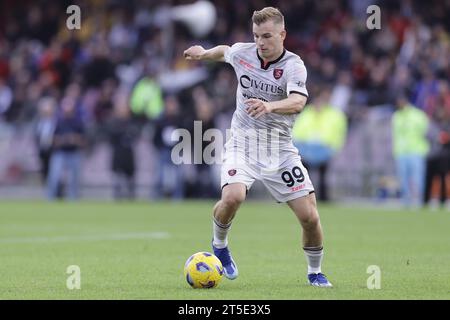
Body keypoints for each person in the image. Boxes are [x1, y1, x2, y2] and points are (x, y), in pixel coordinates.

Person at [184, 7, 332, 287]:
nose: (261, 43)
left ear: (282, 34)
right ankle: (219, 245)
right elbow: (225, 50)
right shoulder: (244, 53)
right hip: (243, 143)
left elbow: (298, 102)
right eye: (256, 36)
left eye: (267, 36)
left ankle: (315, 272)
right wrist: (203, 54)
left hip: (279, 148)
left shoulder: (293, 65)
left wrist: (269, 106)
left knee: (309, 217)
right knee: (233, 197)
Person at [292, 88, 347, 202]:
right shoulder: (307, 113)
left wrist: (333, 148)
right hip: (306, 148)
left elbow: (339, 132)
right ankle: (302, 197)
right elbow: (297, 131)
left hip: (324, 149)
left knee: (323, 175)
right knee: (303, 175)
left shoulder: (335, 114)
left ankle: (323, 198)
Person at [392, 95, 429, 207]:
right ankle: (406, 201)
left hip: (416, 151)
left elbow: (425, 131)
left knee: (417, 177)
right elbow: (395, 135)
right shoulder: (396, 116)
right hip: (401, 152)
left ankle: (418, 200)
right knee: (403, 178)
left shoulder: (418, 115)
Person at [47, 96, 86, 200]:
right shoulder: (58, 122)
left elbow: (83, 140)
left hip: (74, 153)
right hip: (60, 152)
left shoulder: (78, 122)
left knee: (74, 179)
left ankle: (73, 199)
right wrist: (64, 139)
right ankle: (51, 198)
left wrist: (75, 139)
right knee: (54, 177)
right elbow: (52, 140)